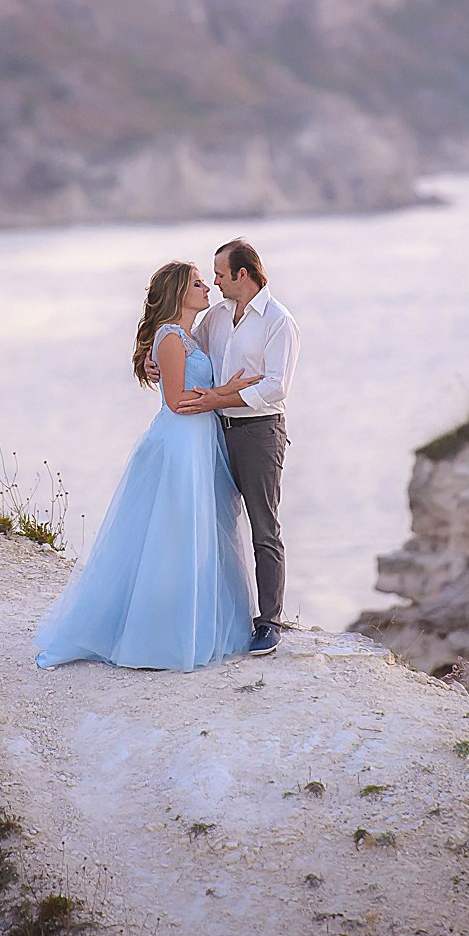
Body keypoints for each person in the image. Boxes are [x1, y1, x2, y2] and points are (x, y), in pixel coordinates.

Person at [33, 262, 259, 671]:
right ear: (178, 293)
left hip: (199, 442)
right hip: (179, 444)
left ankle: (194, 626)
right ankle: (158, 636)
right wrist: (229, 391)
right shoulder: (171, 337)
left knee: (196, 535)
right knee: (170, 539)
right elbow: (177, 402)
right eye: (197, 283)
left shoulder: (190, 334)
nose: (206, 286)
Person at [173, 238, 300, 656]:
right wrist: (158, 358)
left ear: (242, 275)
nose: (214, 282)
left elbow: (275, 386)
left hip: (259, 432)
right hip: (214, 431)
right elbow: (191, 348)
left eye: (220, 275)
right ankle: (219, 613)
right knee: (214, 524)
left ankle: (269, 623)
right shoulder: (217, 316)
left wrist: (218, 398)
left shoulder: (279, 321)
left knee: (264, 529)